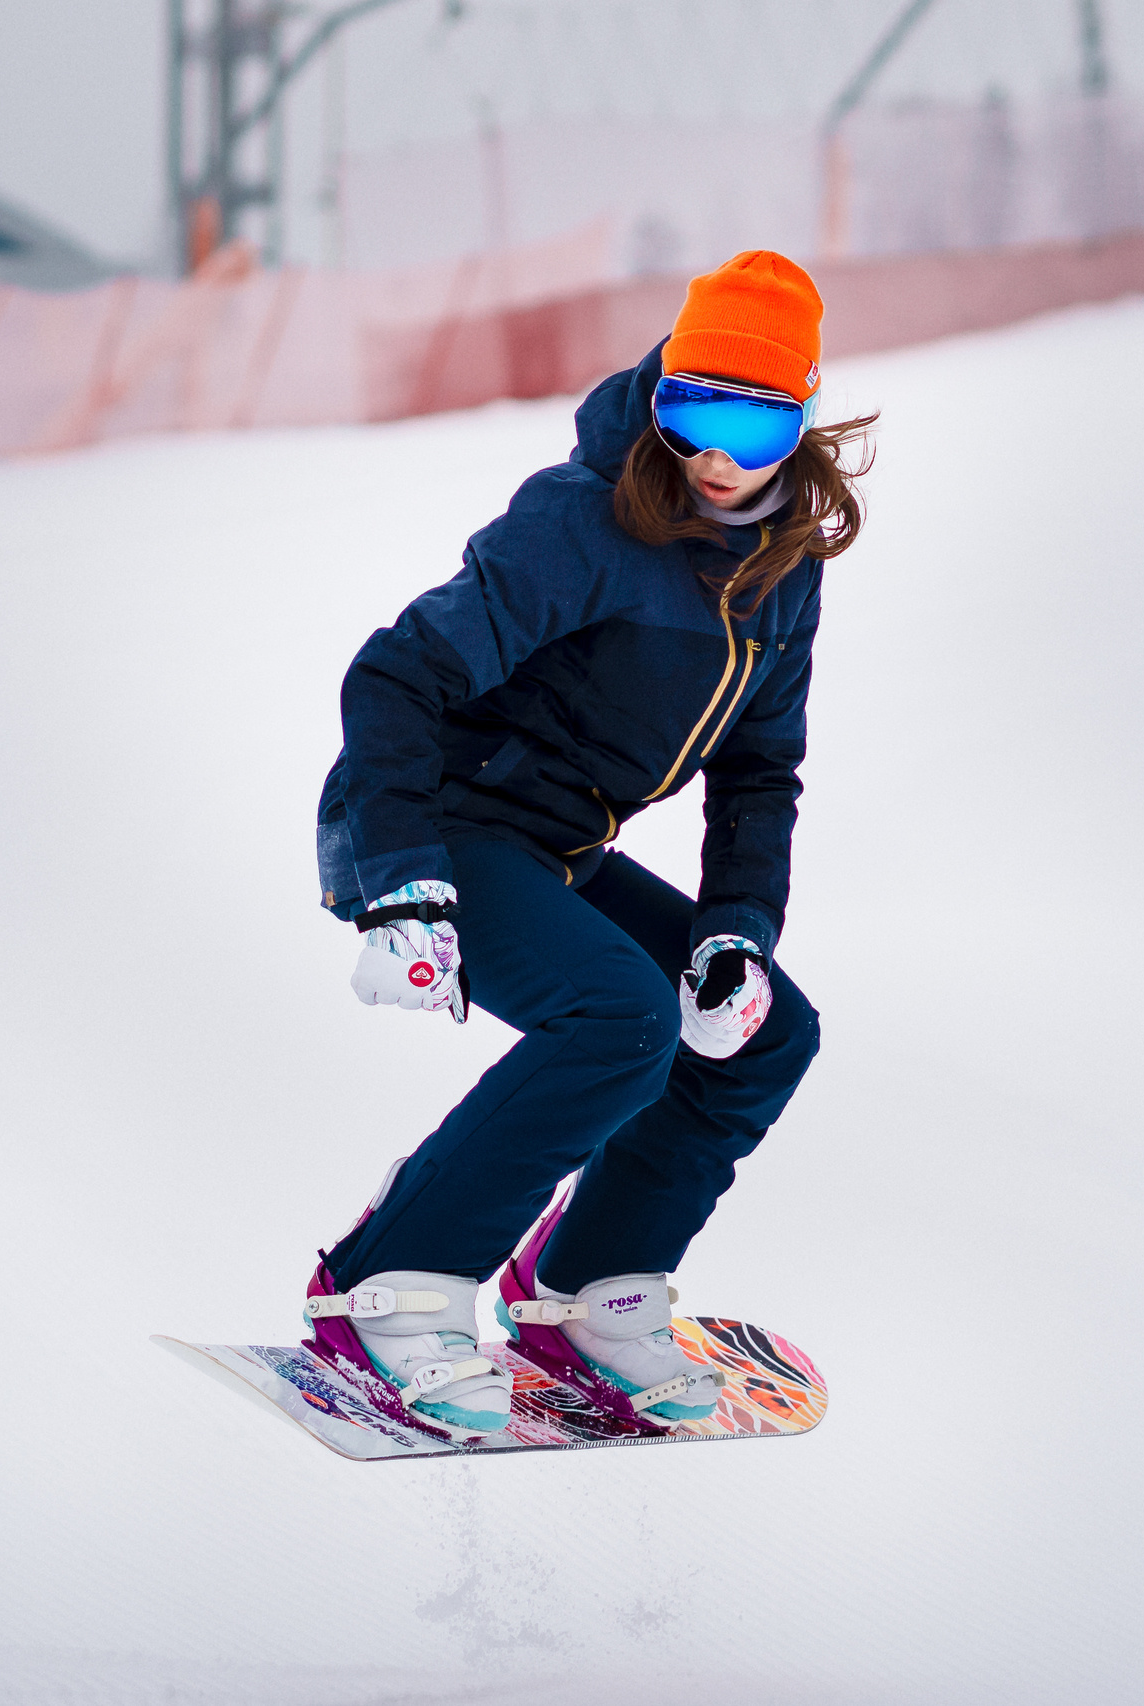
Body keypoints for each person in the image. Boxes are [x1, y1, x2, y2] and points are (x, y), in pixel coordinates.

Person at [302, 251, 874, 1442]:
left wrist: (732, 936)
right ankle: (392, 1279)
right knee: (619, 1016)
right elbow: (397, 671)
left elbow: (759, 769)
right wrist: (400, 883)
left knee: (767, 1032)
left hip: (553, 841)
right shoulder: (586, 518)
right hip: (439, 819)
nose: (713, 450)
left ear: (802, 417)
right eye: (687, 406)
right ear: (658, 394)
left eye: (748, 418)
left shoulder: (782, 572)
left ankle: (585, 1290)